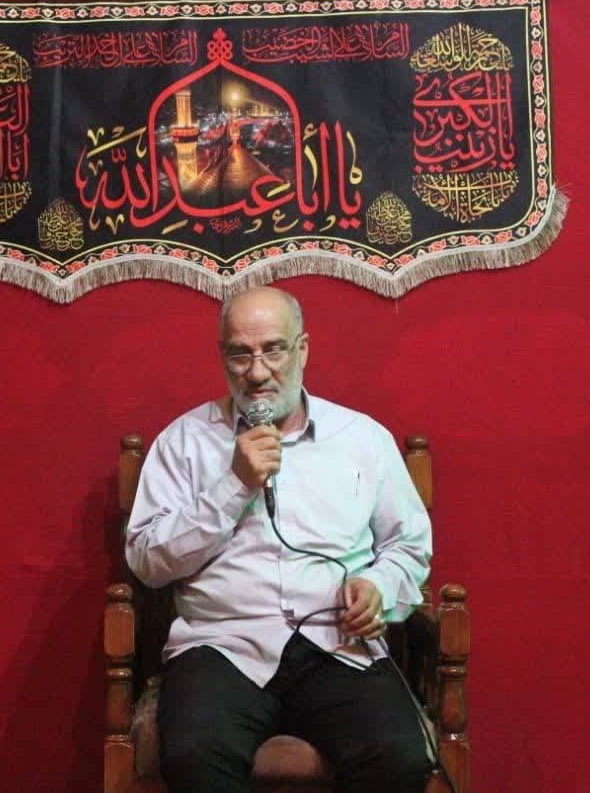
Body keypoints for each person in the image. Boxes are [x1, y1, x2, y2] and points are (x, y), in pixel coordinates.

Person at [124, 286, 433, 792]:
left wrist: (379, 586)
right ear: (222, 357)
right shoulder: (183, 443)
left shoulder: (362, 439)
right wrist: (235, 485)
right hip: (222, 646)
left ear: (302, 349)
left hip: (337, 644)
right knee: (192, 755)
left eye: (273, 350)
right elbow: (147, 562)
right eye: (240, 354)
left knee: (400, 756)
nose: (258, 372)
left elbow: (408, 546)